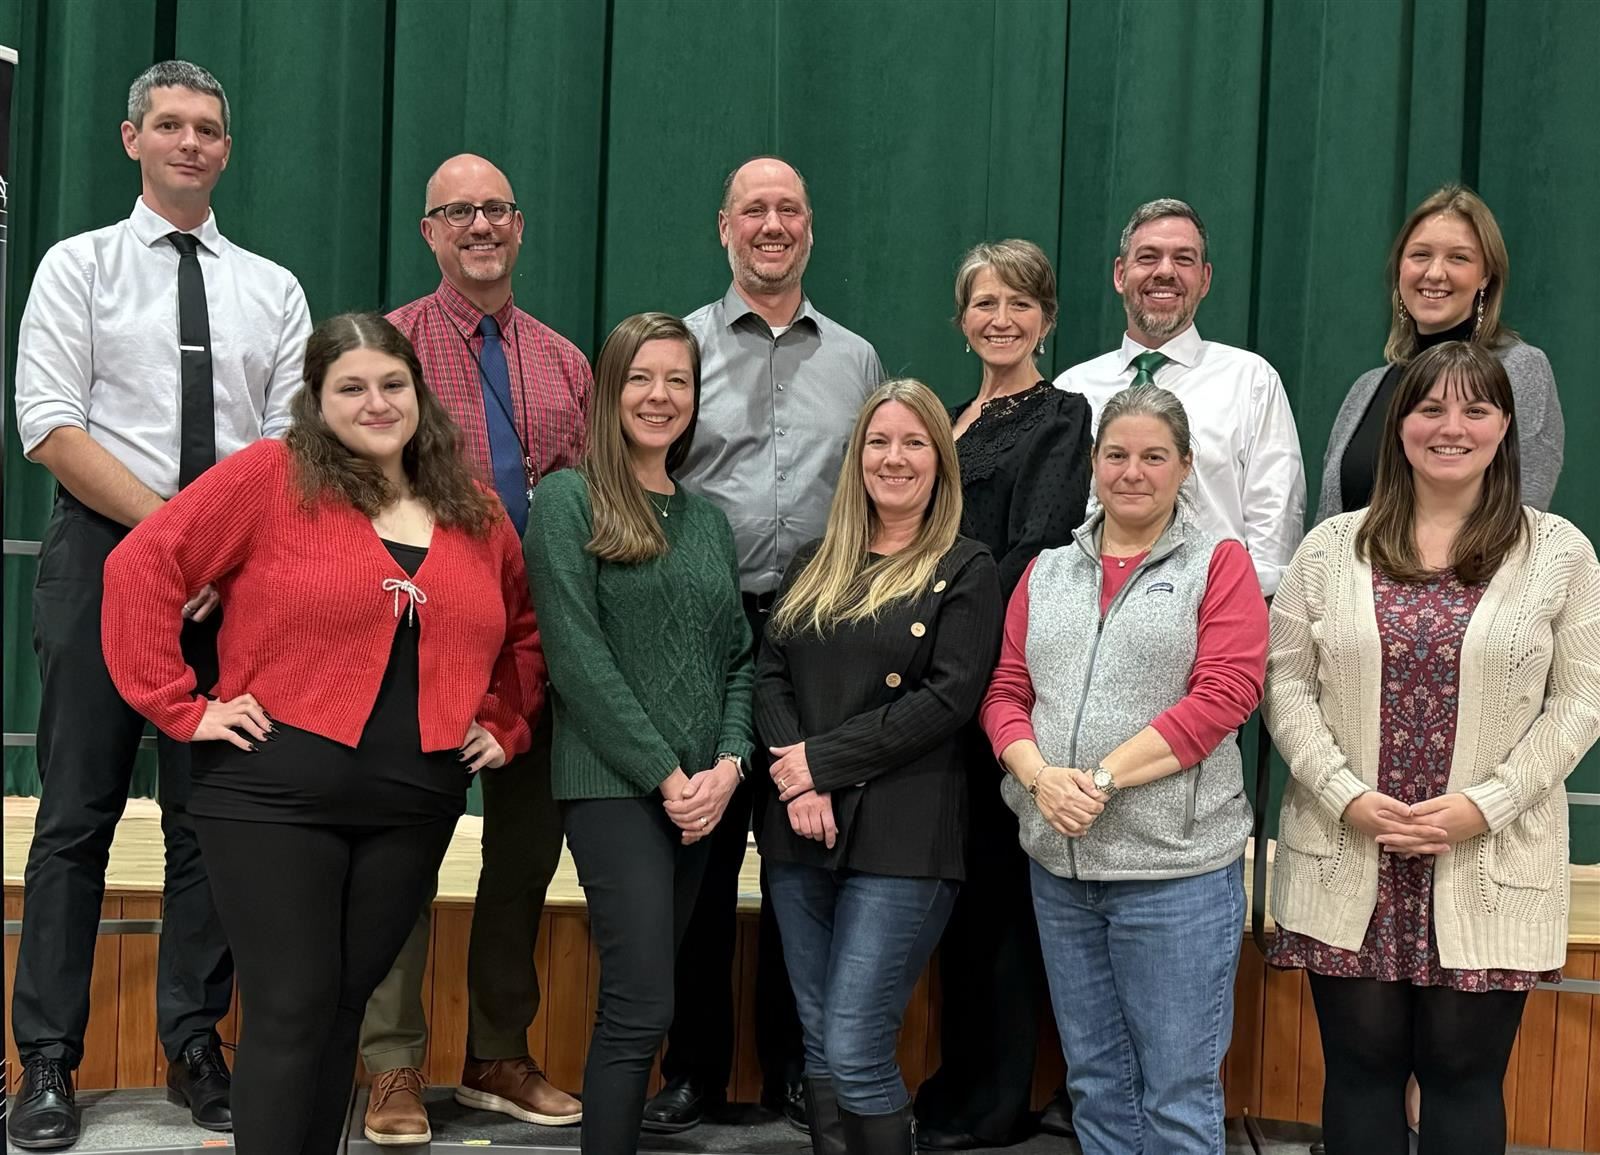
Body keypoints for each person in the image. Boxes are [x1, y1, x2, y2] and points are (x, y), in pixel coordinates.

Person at [99, 312, 541, 1155]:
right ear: (318, 399)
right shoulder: (274, 474)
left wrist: (503, 723)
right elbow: (141, 565)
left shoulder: (476, 511)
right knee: (293, 1001)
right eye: (351, 387)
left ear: (419, 393)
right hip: (271, 793)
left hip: (416, 799)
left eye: (391, 384)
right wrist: (183, 706)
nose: (375, 403)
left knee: (344, 1001)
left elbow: (522, 632)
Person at [8, 59, 311, 1150]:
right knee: (76, 816)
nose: (192, 143)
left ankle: (195, 1042)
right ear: (131, 139)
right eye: (171, 125)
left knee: (210, 821)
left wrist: (213, 558)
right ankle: (46, 1061)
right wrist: (167, 539)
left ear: (227, 149)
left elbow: (287, 441)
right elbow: (46, 420)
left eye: (210, 129)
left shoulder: (271, 288)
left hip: (234, 577)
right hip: (105, 554)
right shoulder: (76, 266)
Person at [1265, 340, 1600, 1155]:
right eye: (1430, 408)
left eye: (1475, 408)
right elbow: (1285, 685)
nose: (1452, 426)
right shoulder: (1329, 547)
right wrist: (1343, 791)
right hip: (1351, 851)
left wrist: (1480, 807)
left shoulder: (1559, 551)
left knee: (1462, 1076)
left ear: (1506, 425)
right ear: (1399, 426)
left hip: (1486, 856)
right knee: (1359, 1072)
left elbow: (1580, 701)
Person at [647, 155, 884, 1133]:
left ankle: (797, 1067)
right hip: (706, 632)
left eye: (788, 207)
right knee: (696, 860)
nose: (772, 223)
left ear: (810, 228)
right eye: (755, 209)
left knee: (803, 856)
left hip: (819, 633)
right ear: (724, 227)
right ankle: (695, 1066)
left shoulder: (859, 361)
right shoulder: (682, 348)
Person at [360, 152, 590, 1144]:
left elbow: (584, 505)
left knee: (523, 861)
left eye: (495, 208)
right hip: (416, 646)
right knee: (403, 858)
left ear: (520, 224)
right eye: (458, 212)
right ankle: (392, 1067)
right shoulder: (390, 349)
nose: (479, 225)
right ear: (429, 232)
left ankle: (497, 1052)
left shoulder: (564, 362)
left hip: (540, 653)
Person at [980, 384, 1267, 1155]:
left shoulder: (1220, 564)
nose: (1131, 472)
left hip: (1174, 878)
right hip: (1061, 871)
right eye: (1116, 455)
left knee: (1175, 1093)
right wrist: (1041, 777)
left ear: (1183, 467)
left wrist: (1100, 779)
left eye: (1152, 456)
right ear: (1093, 463)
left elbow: (1225, 695)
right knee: (1096, 1083)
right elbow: (1006, 691)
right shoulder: (1046, 572)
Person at [524, 311, 754, 1155]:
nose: (660, 397)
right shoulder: (568, 498)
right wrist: (666, 773)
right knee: (640, 1003)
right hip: (615, 789)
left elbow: (738, 657)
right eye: (641, 379)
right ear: (609, 391)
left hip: (702, 798)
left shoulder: (710, 522)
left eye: (678, 381)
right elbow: (576, 661)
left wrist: (728, 766)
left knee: (650, 1002)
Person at [756, 378, 1003, 1153]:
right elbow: (768, 676)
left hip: (905, 836)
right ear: (857, 454)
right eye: (879, 442)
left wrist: (817, 764)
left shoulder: (967, 567)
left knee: (859, 1047)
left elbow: (948, 699)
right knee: (825, 1044)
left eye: (913, 443)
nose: (894, 458)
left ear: (940, 460)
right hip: (800, 835)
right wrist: (799, 780)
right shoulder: (812, 560)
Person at [914, 239, 1091, 1150]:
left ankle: (995, 1099)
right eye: (984, 302)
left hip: (994, 678)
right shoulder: (942, 418)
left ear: (1047, 318)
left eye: (1020, 304)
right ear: (962, 317)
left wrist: (957, 632)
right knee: (955, 892)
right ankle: (953, 1076)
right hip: (931, 682)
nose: (1001, 319)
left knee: (1000, 897)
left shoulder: (1062, 417)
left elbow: (1037, 547)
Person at [1054, 197, 1304, 597]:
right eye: (1148, 257)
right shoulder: (1072, 389)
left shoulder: (1251, 380)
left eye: (1183, 259)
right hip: (1088, 620)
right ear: (1120, 274)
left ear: (1205, 279)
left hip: (1214, 618)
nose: (1165, 272)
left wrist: (1242, 620)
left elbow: (1275, 527)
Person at [1318, 184, 1564, 521]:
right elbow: (1327, 524)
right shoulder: (1366, 389)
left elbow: (1521, 514)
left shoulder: (1518, 368)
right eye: (1420, 255)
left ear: (1485, 277)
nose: (1434, 273)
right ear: (1400, 268)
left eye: (1458, 258)